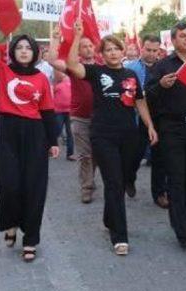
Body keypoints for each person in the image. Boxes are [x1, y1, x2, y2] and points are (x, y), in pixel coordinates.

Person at [66, 20, 158, 256]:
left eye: (116, 48)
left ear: (123, 50)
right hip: (102, 136)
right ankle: (120, 236)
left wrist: (150, 126)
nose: (113, 53)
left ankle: (110, 218)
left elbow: (139, 101)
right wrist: (77, 36)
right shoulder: (96, 72)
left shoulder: (130, 75)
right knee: (114, 183)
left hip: (129, 135)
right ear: (102, 54)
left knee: (123, 178)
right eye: (108, 50)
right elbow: (71, 65)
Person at [0, 2, 59, 262]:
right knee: (10, 185)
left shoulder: (41, 78)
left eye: (28, 48)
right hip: (8, 132)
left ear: (35, 52)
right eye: (20, 47)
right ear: (13, 51)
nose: (24, 51)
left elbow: (47, 110)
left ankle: (31, 239)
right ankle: (10, 221)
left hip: (35, 133)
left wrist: (53, 140)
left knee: (34, 187)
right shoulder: (3, 70)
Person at [146, 21, 186, 248]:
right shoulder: (162, 66)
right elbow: (147, 96)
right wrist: (161, 85)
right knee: (176, 177)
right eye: (183, 35)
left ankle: (184, 216)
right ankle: (181, 228)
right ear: (173, 39)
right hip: (171, 128)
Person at [47, 26, 98, 203]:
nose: (88, 49)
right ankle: (87, 187)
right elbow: (52, 60)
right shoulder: (73, 66)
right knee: (85, 154)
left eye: (90, 46)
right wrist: (55, 39)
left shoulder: (104, 65)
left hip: (101, 118)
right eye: (83, 46)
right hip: (80, 117)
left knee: (97, 154)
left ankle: (90, 177)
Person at [124, 34, 165, 202]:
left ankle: (159, 193)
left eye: (155, 50)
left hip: (160, 117)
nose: (151, 53)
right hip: (137, 118)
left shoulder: (164, 67)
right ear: (142, 47)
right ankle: (129, 177)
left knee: (160, 157)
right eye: (148, 49)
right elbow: (127, 94)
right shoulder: (130, 68)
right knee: (136, 153)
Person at [53, 70, 75, 161]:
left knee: (70, 133)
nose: (60, 74)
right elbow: (51, 95)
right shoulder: (55, 83)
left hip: (69, 111)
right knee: (57, 130)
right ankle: (51, 148)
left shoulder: (70, 81)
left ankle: (70, 154)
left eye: (62, 72)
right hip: (58, 111)